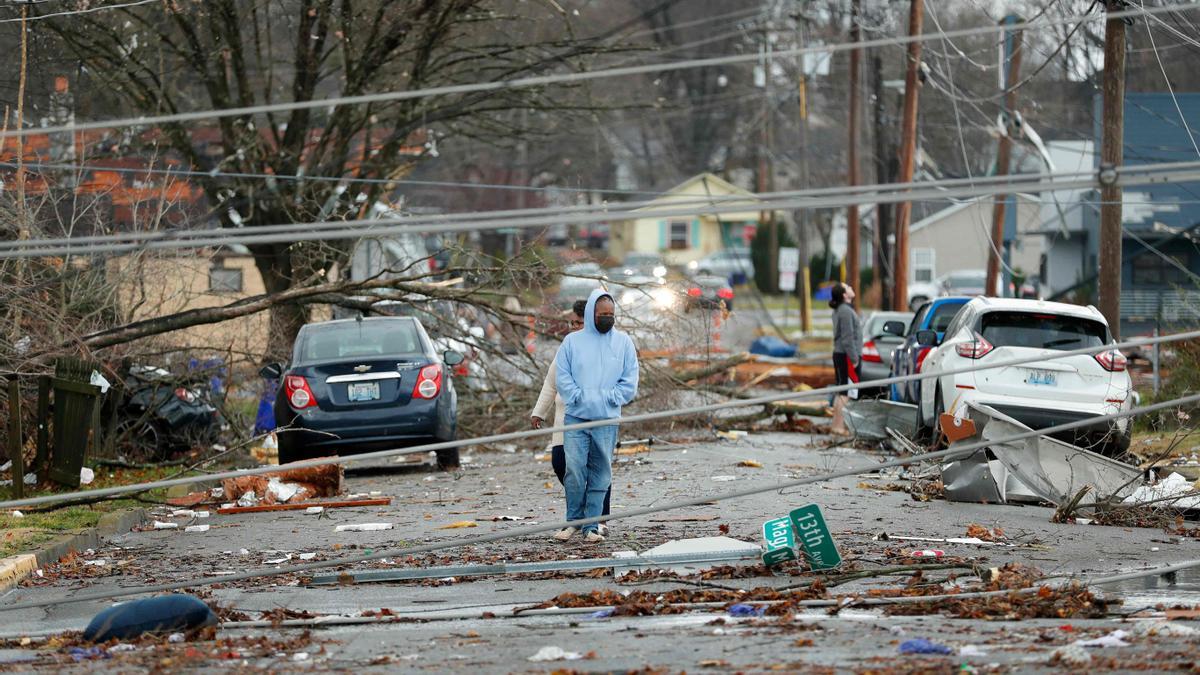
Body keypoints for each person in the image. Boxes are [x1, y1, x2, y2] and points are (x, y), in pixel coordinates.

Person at [553, 289, 639, 542]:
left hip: (607, 418)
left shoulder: (623, 342)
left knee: (601, 472)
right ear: (591, 313)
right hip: (576, 418)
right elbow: (562, 376)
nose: (607, 318)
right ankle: (573, 522)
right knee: (575, 470)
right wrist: (578, 397)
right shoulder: (572, 342)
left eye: (611, 314)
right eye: (602, 314)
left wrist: (611, 398)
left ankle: (592, 526)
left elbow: (630, 379)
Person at [530, 301, 613, 534]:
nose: (574, 327)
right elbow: (551, 381)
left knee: (597, 469)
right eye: (572, 322)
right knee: (561, 464)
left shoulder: (603, 346)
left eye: (579, 322)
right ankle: (580, 516)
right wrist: (539, 411)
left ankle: (599, 520)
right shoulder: (567, 346)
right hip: (564, 419)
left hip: (594, 418)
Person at [829, 282, 862, 435]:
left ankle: (836, 425)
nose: (851, 287)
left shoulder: (841, 310)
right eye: (848, 287)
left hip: (840, 354)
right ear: (844, 295)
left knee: (841, 390)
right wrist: (854, 358)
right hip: (846, 355)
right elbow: (847, 338)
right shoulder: (846, 312)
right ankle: (838, 426)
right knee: (845, 393)